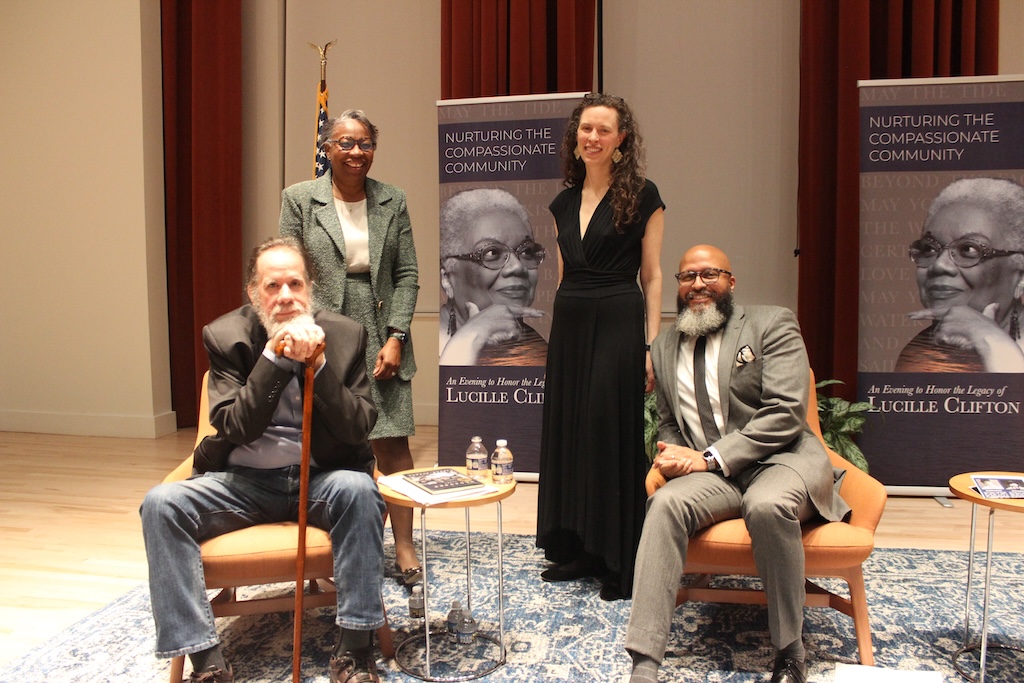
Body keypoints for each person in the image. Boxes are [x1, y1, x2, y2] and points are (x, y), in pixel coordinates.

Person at [140, 237, 386, 683]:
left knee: (359, 489)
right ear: (255, 294)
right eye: (273, 286)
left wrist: (321, 365)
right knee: (160, 504)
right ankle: (207, 663)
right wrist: (273, 358)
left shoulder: (347, 335)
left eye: (295, 283)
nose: (286, 296)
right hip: (244, 483)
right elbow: (234, 426)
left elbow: (357, 428)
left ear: (311, 288)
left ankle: (355, 650)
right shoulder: (226, 336)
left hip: (321, 480)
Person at [624, 245, 851, 683]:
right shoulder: (667, 344)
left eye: (709, 274)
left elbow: (786, 411)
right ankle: (645, 662)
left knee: (766, 506)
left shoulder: (772, 323)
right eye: (687, 277)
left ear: (731, 281)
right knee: (664, 505)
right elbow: (670, 421)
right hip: (715, 476)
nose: (697, 285)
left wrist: (708, 458)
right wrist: (673, 454)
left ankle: (789, 652)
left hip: (779, 462)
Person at [280, 109, 424, 588]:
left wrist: (396, 336)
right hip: (323, 329)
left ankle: (403, 544)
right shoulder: (299, 199)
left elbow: (407, 274)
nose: (355, 152)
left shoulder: (392, 200)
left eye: (364, 143)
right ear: (326, 147)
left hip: (381, 326)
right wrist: (306, 334)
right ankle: (328, 552)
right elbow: (289, 270)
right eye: (345, 143)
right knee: (329, 446)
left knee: (392, 443)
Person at [536, 93, 665, 601]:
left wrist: (652, 343)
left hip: (618, 317)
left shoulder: (644, 195)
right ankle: (579, 548)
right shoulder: (562, 202)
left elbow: (652, 276)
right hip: (570, 320)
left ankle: (618, 557)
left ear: (621, 140)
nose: (592, 138)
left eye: (603, 130)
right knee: (571, 430)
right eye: (585, 129)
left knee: (606, 428)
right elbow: (566, 272)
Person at [895, 177, 1024, 373]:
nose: (939, 265)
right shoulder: (919, 356)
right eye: (929, 249)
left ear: (1021, 276)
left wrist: (992, 342)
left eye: (969, 250)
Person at [439, 187, 548, 366]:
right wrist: (470, 338)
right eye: (491, 253)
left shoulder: (540, 353)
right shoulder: (427, 347)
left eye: (527, 251)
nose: (517, 267)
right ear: (448, 279)